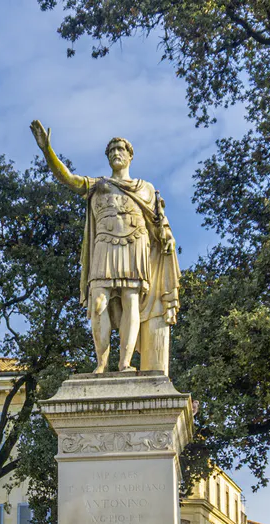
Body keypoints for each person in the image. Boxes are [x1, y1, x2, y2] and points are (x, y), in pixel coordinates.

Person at [30, 122, 180, 375]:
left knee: (131, 302)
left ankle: (124, 363)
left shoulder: (145, 188)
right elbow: (68, 179)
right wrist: (47, 151)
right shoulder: (98, 185)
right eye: (111, 151)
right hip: (104, 245)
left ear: (130, 155)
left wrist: (166, 236)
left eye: (120, 149)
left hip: (135, 244)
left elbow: (159, 223)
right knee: (98, 303)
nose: (115, 153)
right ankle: (101, 363)